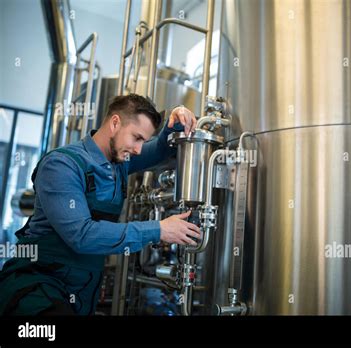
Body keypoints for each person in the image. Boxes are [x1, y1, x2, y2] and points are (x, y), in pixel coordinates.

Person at [0, 94, 201, 315]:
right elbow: (81, 235)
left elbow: (160, 150)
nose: (139, 150)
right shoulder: (61, 165)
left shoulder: (120, 163)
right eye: (137, 138)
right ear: (115, 123)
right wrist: (158, 229)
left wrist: (177, 121)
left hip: (82, 291)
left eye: (143, 140)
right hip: (37, 286)